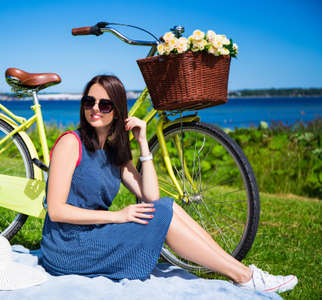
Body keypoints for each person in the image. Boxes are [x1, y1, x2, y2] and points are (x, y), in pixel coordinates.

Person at [39, 75, 297, 293]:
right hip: (67, 247)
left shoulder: (113, 151)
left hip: (92, 234)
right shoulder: (70, 143)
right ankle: (244, 277)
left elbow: (150, 196)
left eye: (105, 104)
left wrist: (142, 144)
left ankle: (241, 272)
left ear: (118, 110)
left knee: (164, 206)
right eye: (89, 101)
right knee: (161, 211)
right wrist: (118, 216)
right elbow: (56, 210)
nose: (95, 108)